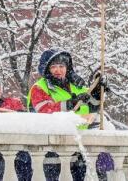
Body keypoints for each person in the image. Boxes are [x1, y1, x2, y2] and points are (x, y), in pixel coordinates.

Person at [27, 48, 106, 181]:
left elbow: (94, 106)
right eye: (53, 67)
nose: (58, 70)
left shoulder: (77, 86)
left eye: (62, 66)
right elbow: (43, 111)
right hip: (52, 152)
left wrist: (98, 90)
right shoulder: (39, 87)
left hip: (80, 151)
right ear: (46, 69)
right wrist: (70, 103)